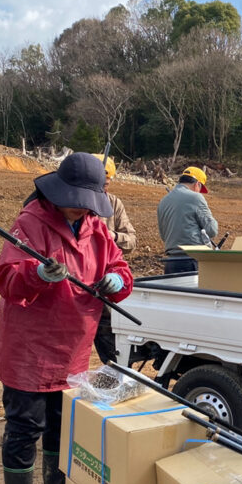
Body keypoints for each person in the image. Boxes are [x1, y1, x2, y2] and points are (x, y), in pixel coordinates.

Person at [0, 152, 134, 484]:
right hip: (30, 349)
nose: (85, 209)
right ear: (60, 193)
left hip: (74, 348)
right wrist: (37, 273)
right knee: (25, 429)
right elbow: (7, 279)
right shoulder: (31, 223)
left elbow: (120, 268)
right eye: (79, 200)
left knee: (62, 426)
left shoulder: (96, 229)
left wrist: (117, 283)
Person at [91, 154, 137, 364]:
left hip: (104, 285)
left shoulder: (114, 203)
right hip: (75, 283)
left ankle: (114, 373)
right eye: (99, 184)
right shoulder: (70, 202)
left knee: (108, 339)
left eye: (107, 184)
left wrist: (113, 237)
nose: (103, 189)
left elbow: (131, 241)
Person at [157, 166, 218, 274]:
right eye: (200, 189)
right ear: (197, 184)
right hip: (192, 261)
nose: (199, 192)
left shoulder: (163, 202)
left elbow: (163, 235)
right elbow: (212, 230)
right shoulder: (196, 198)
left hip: (170, 263)